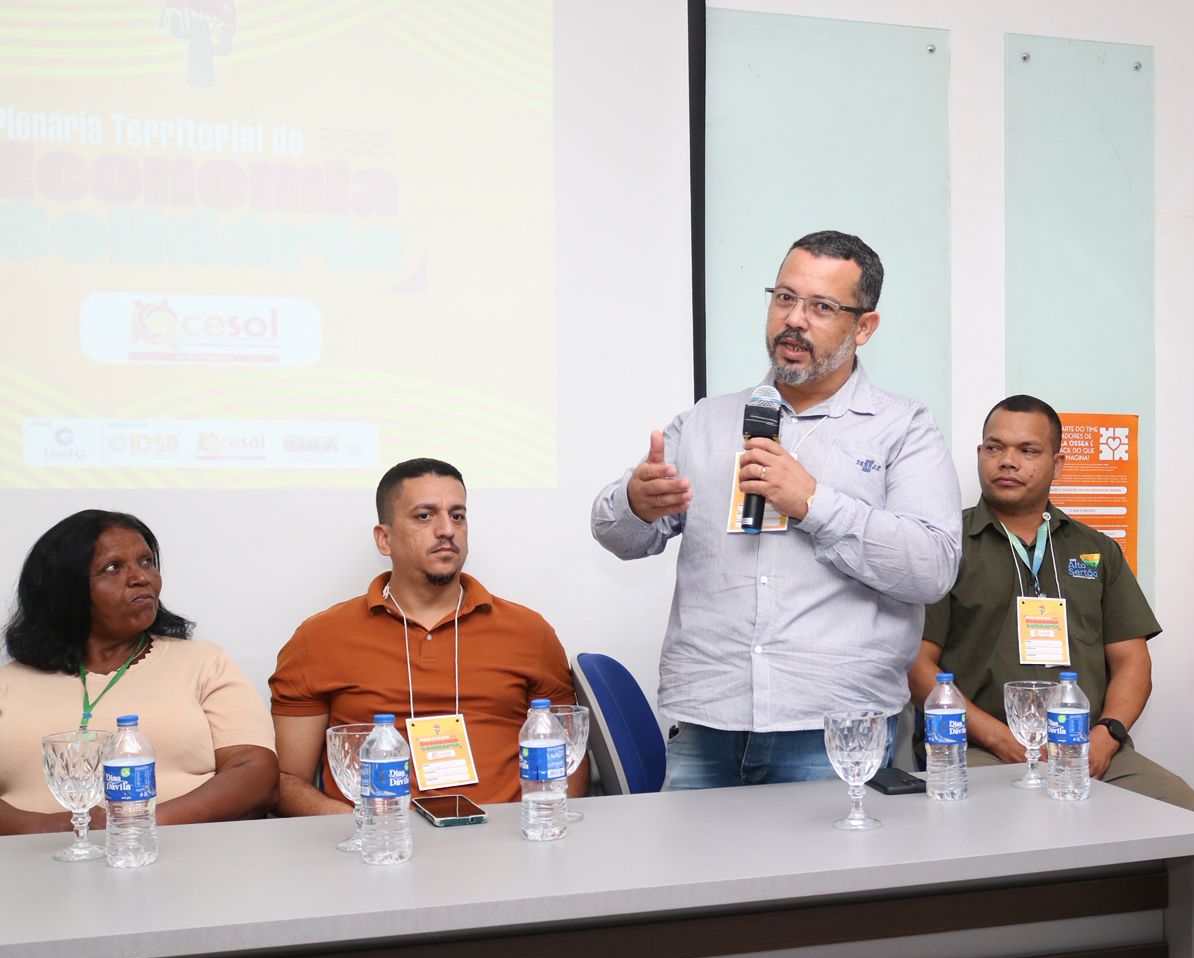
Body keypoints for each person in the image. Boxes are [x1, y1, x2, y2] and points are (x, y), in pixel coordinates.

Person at [592, 230, 961, 789]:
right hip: (706, 724)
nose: (794, 320)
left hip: (835, 731)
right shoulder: (706, 423)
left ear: (864, 327)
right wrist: (635, 506)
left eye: (822, 307)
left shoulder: (903, 428)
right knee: (692, 854)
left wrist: (814, 502)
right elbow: (614, 533)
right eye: (784, 298)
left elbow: (932, 568)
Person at [911, 396, 1194, 820]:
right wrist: (1004, 741)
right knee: (1019, 831)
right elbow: (919, 668)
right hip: (977, 750)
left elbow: (1133, 662)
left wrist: (1107, 735)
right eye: (995, 447)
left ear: (1057, 465)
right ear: (980, 454)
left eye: (1027, 450)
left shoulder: (1096, 550)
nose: (1007, 461)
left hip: (1089, 749)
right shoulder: (947, 546)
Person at [270, 458, 584, 813]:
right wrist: (365, 829)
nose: (446, 529)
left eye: (457, 516)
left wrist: (546, 825)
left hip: (508, 835)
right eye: (424, 516)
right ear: (384, 539)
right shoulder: (320, 638)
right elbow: (287, 781)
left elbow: (569, 760)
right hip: (382, 836)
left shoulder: (529, 632)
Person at [0, 511, 278, 832]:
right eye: (112, 567)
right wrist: (50, 829)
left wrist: (137, 826)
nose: (141, 577)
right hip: (29, 857)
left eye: (146, 562)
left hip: (182, 851)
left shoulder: (203, 662)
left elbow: (255, 772)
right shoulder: (8, 683)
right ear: (64, 588)